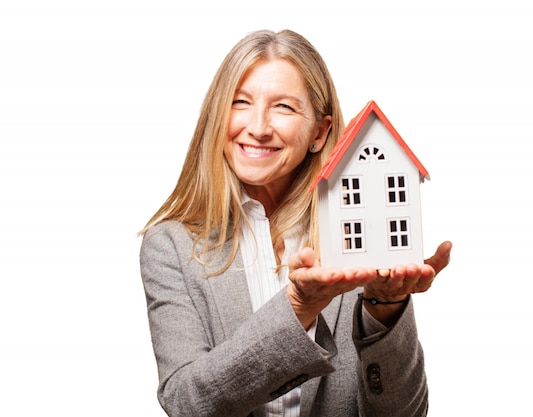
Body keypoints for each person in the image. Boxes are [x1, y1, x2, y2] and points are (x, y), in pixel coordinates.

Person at [139, 28, 452, 417]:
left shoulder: (355, 234)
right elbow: (186, 404)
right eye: (240, 102)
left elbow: (403, 414)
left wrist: (384, 309)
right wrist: (298, 307)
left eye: (283, 107)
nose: (257, 126)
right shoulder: (170, 246)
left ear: (318, 133)